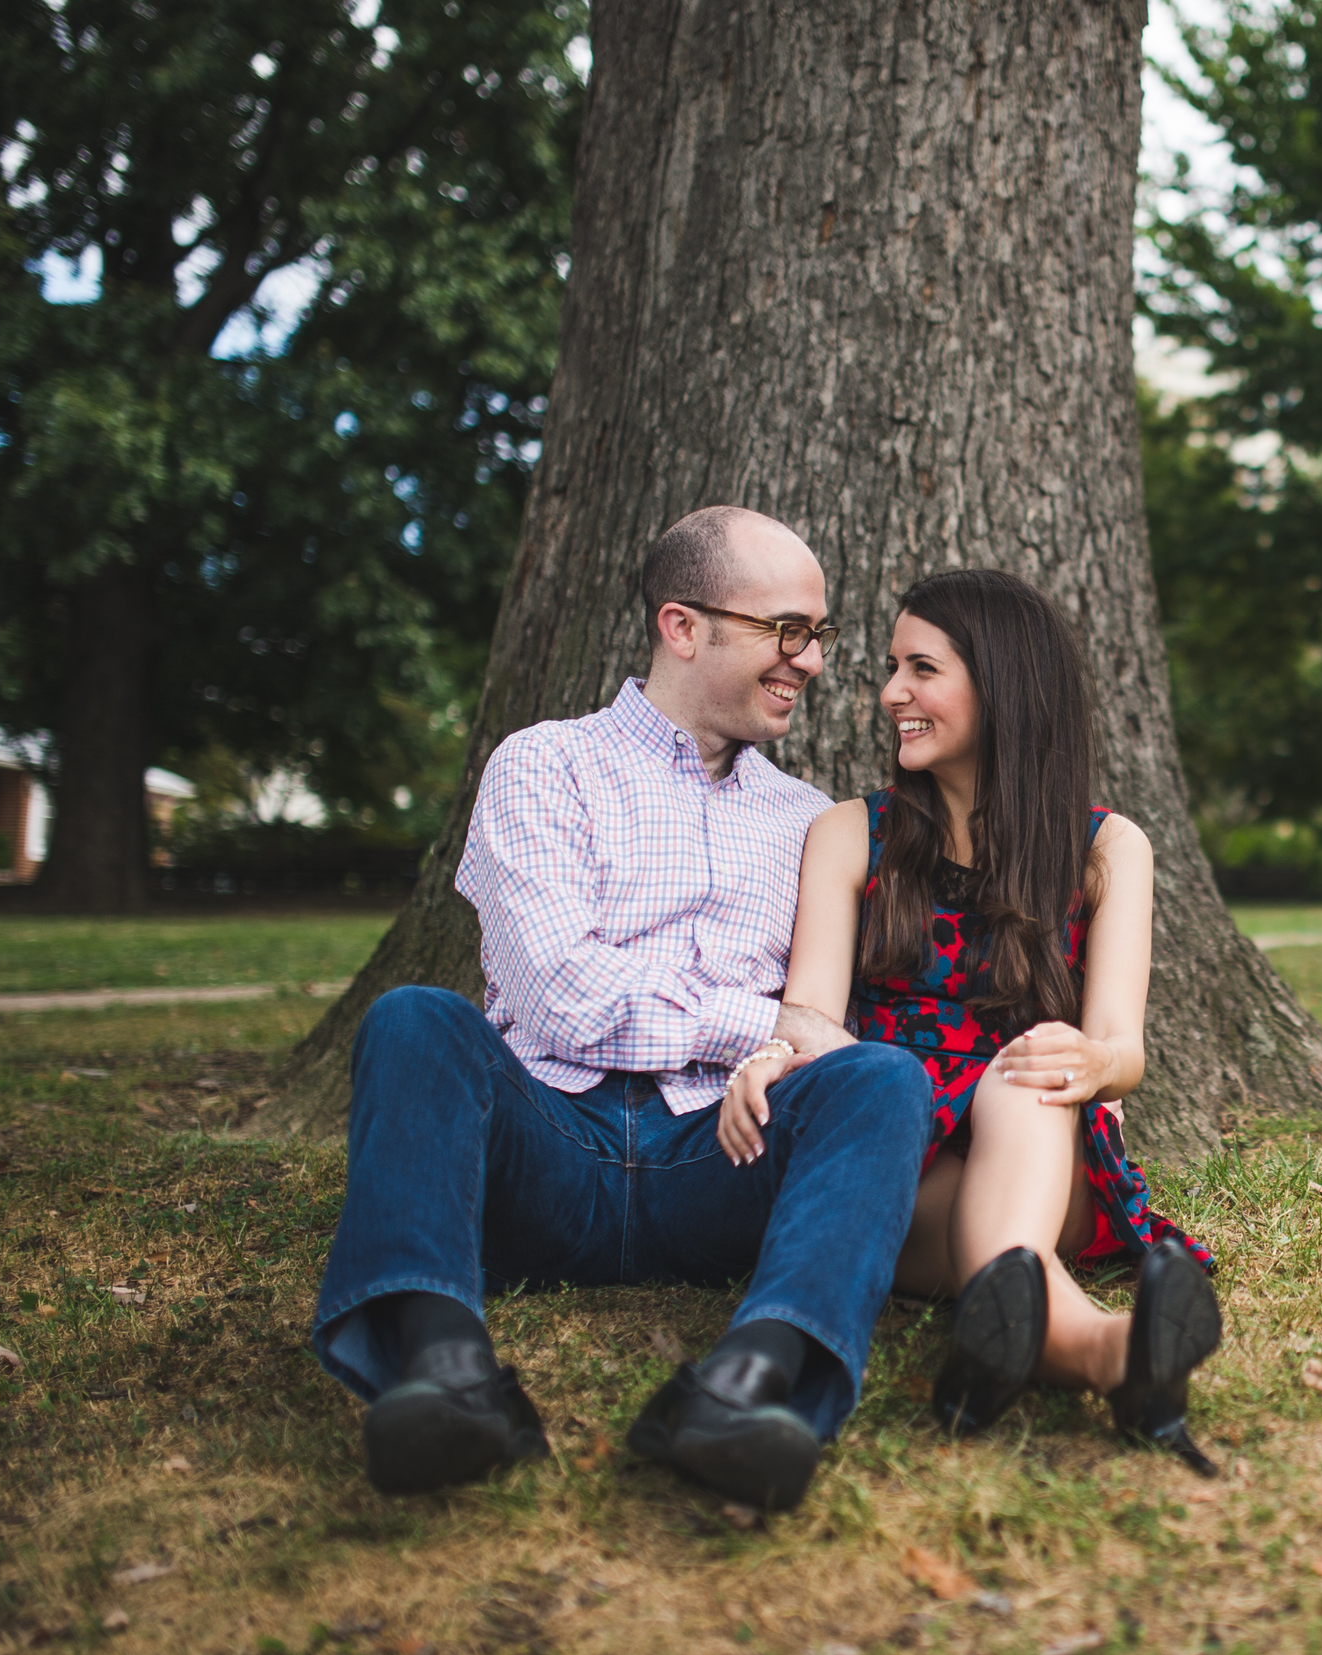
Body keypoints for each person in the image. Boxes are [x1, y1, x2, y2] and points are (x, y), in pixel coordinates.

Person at [310, 506, 932, 1511]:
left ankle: (750, 1385)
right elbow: (563, 998)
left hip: (720, 1158)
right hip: (542, 1151)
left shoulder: (811, 819)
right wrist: (763, 1024)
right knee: (416, 1019)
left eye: (816, 634)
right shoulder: (542, 765)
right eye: (786, 630)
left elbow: (831, 1037)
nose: (811, 660)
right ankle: (441, 1370)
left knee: (882, 1077)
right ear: (682, 626)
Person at [721, 570, 1223, 1475]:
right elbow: (809, 1012)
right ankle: (1115, 1353)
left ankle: (1008, 1341)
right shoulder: (850, 833)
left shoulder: (1107, 848)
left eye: (922, 669)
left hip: (1038, 1144)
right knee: (995, 1233)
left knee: (1025, 1076)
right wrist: (775, 1054)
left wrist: (1086, 1055)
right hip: (894, 1159)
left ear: (1002, 686)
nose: (890, 694)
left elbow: (1124, 1049)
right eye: (891, 667)